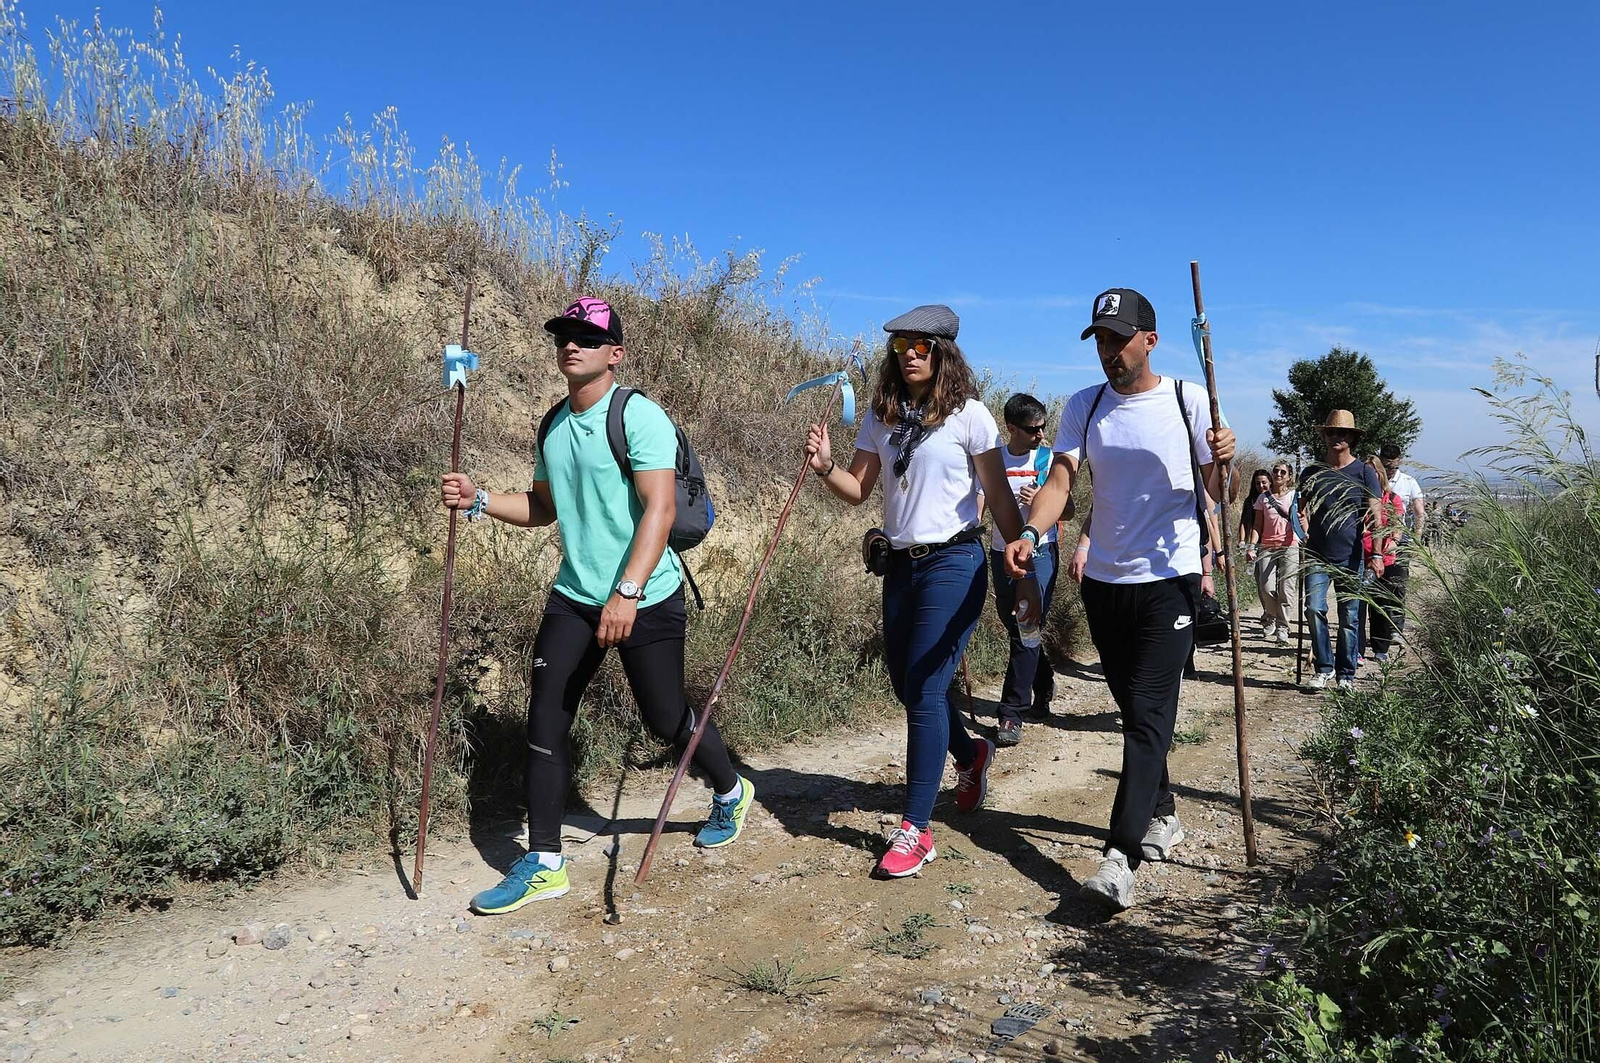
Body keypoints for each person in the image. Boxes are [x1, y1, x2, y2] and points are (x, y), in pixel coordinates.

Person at [440, 297, 753, 915]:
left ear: (616, 353)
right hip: (576, 595)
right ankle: (545, 862)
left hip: (647, 593)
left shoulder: (639, 417)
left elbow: (661, 509)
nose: (571, 345)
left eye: (586, 337)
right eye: (564, 335)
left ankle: (729, 789)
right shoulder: (553, 425)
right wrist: (479, 500)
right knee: (545, 718)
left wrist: (627, 592)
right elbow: (542, 507)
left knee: (665, 717)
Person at [1004, 288, 1235, 911]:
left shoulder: (1187, 399)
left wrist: (1223, 459)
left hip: (1171, 580)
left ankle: (1119, 856)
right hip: (1105, 582)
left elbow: (1218, 491)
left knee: (1151, 712)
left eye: (1118, 339)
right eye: (1101, 340)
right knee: (1134, 708)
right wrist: (1031, 531)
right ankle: (1163, 813)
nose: (1108, 351)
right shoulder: (1086, 405)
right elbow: (1060, 480)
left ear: (1149, 340)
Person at [804, 304, 1040, 879]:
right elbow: (858, 489)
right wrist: (826, 467)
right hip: (902, 567)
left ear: (943, 353)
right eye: (900, 346)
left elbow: (999, 498)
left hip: (956, 560)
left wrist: (1024, 566)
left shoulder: (970, 415)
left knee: (928, 685)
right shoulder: (882, 415)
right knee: (906, 684)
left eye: (921, 346)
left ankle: (916, 828)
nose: (909, 354)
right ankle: (971, 752)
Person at [975, 393, 1060, 747]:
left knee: (1026, 623)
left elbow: (1068, 509)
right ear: (1010, 428)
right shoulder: (993, 459)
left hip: (1040, 552)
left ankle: (1011, 712)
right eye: (1032, 429)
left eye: (1043, 427)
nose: (1040, 435)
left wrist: (1040, 500)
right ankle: (1043, 681)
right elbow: (981, 498)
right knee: (1014, 624)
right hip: (1001, 552)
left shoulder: (1048, 459)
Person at [1297, 411, 1385, 691]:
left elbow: (1376, 515)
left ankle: (1346, 674)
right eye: (1331, 432)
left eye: (1343, 433)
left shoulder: (1364, 472)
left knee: (1349, 617)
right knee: (1314, 609)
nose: (1337, 437)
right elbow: (1299, 510)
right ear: (1324, 436)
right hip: (1316, 554)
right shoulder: (1311, 472)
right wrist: (1302, 531)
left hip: (1351, 557)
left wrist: (1377, 555)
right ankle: (1324, 668)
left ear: (1352, 438)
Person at [1374, 443, 1425, 655]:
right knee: (1376, 587)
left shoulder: (1408, 482)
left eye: (1393, 467)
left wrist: (1416, 538)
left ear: (1399, 462)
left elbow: (1419, 511)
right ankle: (1377, 631)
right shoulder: (1373, 480)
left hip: (1400, 540)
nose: (1389, 471)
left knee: (1398, 584)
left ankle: (1395, 628)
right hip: (1375, 539)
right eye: (1386, 466)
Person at [1243, 461, 1301, 646]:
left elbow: (1303, 520)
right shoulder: (1263, 498)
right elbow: (1257, 525)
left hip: (1290, 546)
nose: (1278, 474)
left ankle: (1283, 628)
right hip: (1267, 547)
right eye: (1276, 471)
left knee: (1286, 589)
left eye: (1283, 472)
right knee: (1265, 587)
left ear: (1289, 477)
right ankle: (1271, 616)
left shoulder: (1295, 496)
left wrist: (1306, 537)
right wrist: (1251, 546)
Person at [1362, 455, 1405, 662]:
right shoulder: (1355, 498)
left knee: (1380, 605)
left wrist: (1394, 541)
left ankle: (1380, 648)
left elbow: (1397, 526)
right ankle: (1356, 650)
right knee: (1357, 607)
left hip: (1383, 559)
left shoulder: (1392, 498)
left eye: (1373, 472)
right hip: (1358, 558)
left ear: (1380, 474)